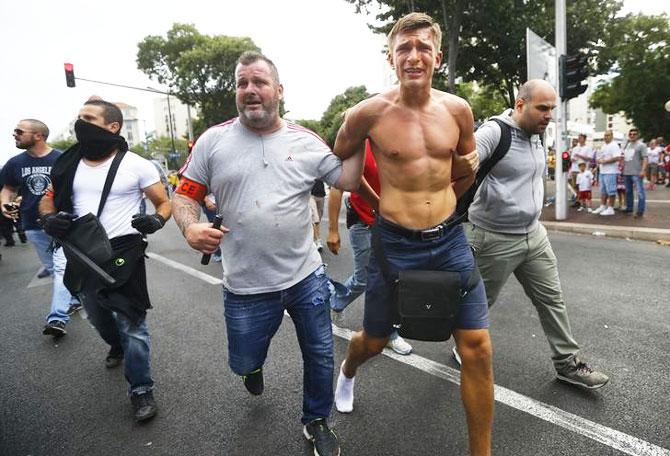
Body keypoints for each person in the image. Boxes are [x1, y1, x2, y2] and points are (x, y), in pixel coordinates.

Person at [171, 51, 369, 456]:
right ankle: (253, 368)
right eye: (242, 83)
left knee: (319, 353)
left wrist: (365, 130)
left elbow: (347, 178)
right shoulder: (213, 141)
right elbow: (184, 195)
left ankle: (316, 420)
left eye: (259, 82)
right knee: (244, 361)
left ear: (278, 90)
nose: (250, 90)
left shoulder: (305, 140)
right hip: (245, 286)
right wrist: (190, 226)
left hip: (305, 276)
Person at [331, 13, 492, 455]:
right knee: (376, 341)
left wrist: (454, 187)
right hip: (395, 242)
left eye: (423, 47)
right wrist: (373, 201)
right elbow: (337, 165)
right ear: (391, 57)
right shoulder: (366, 113)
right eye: (404, 48)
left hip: (449, 240)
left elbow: (465, 171)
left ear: (436, 56)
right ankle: (347, 371)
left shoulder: (458, 109)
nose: (414, 56)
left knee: (477, 346)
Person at [464, 79, 609, 391]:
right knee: (478, 305)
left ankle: (567, 364)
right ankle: (463, 346)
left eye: (552, 109)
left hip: (534, 236)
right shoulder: (494, 132)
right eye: (542, 108)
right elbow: (466, 161)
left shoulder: (537, 134)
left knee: (552, 299)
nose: (548, 115)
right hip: (493, 237)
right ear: (520, 104)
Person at [39, 98, 171, 422]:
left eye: (89, 118)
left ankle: (141, 389)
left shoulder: (137, 164)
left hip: (124, 251)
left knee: (133, 323)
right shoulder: (67, 164)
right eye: (79, 116)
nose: (80, 122)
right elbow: (47, 202)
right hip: (81, 252)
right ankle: (115, 344)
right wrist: (48, 219)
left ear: (113, 126)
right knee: (98, 316)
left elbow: (163, 203)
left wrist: (157, 220)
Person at [327, 140, 413, 356]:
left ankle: (391, 333)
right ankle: (336, 301)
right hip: (364, 223)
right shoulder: (358, 144)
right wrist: (333, 230)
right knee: (363, 279)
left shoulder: (404, 141)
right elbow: (337, 188)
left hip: (395, 224)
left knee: (395, 280)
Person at [0, 119, 80, 336]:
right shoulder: (14, 163)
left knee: (62, 268)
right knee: (56, 270)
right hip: (32, 224)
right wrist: (4, 204)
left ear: (38, 135)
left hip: (61, 223)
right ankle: (73, 298)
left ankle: (57, 318)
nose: (14, 134)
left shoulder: (63, 158)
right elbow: (7, 188)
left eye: (19, 131)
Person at [592, 130, 621, 216]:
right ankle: (603, 206)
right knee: (603, 190)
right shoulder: (604, 145)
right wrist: (599, 160)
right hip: (603, 171)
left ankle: (611, 208)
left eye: (608, 135)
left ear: (612, 136)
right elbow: (600, 156)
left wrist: (605, 161)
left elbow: (617, 157)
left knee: (611, 190)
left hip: (611, 171)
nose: (606, 137)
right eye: (605, 135)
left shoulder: (614, 145)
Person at [622, 128, 648, 218]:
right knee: (628, 191)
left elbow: (645, 158)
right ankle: (629, 208)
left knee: (640, 192)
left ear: (638, 135)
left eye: (634, 134)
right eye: (631, 134)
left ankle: (640, 210)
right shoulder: (627, 145)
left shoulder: (642, 145)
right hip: (627, 172)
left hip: (636, 172)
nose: (632, 136)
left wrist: (643, 170)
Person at [310, 179, 326, 252]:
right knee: (315, 218)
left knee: (318, 219)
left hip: (321, 194)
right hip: (310, 195)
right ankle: (317, 241)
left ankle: (313, 238)